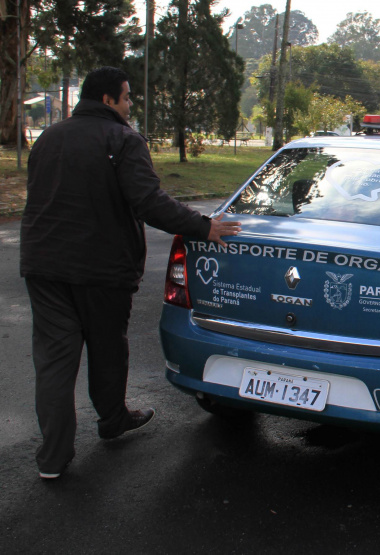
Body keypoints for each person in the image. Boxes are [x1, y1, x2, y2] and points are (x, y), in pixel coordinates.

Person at [19, 66, 241, 480]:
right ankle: (112, 420)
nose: (129, 105)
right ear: (108, 100)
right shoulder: (122, 140)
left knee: (53, 362)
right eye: (126, 97)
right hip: (101, 269)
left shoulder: (49, 137)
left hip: (43, 265)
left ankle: (51, 459)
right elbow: (148, 201)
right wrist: (203, 226)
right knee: (107, 349)